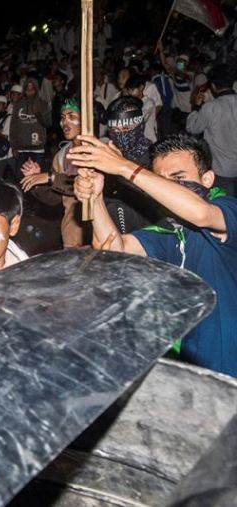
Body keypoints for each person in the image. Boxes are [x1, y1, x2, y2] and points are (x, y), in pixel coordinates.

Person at [70, 134, 237, 377]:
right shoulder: (170, 230)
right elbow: (116, 249)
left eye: (179, 178)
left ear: (207, 179)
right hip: (191, 361)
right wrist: (95, 198)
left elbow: (201, 214)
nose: (169, 187)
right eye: (162, 181)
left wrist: (124, 166)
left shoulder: (227, 207)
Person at [20, 98, 88, 248]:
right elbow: (55, 199)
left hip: (98, 233)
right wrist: (37, 181)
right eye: (62, 118)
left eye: (72, 116)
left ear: (86, 118)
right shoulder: (61, 156)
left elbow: (87, 186)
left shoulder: (97, 150)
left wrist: (49, 177)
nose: (65, 122)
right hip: (72, 235)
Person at [186, 65, 237, 196]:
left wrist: (196, 107)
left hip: (221, 171)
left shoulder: (211, 107)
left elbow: (192, 128)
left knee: (224, 208)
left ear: (213, 86)